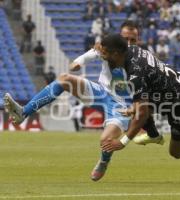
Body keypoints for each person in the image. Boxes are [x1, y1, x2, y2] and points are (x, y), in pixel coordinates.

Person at [4, 36, 132, 182]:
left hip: (120, 105)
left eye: (133, 37)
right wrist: (78, 62)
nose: (130, 40)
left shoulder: (136, 61)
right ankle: (23, 112)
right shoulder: (107, 48)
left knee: (105, 140)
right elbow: (92, 53)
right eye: (127, 36)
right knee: (65, 79)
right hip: (100, 92)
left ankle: (104, 162)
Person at [97, 34, 180, 160]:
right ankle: (154, 135)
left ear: (116, 54)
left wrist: (122, 142)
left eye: (105, 53)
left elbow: (143, 114)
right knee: (137, 107)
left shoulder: (135, 73)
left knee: (176, 153)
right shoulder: (132, 50)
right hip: (168, 92)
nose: (103, 57)